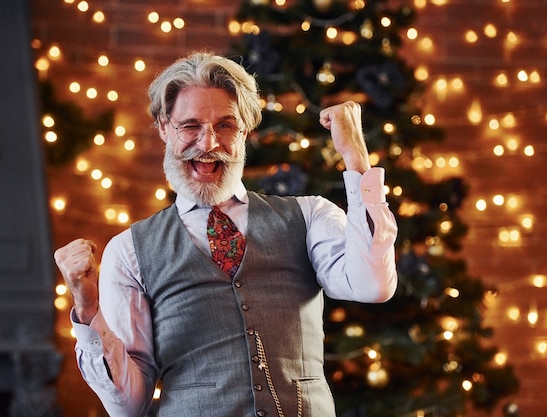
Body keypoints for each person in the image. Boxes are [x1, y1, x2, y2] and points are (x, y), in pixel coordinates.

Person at [54, 51, 398, 417]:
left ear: (246, 131)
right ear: (163, 128)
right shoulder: (130, 250)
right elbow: (128, 405)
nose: (208, 144)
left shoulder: (309, 215)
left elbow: (374, 285)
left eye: (225, 125)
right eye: (190, 126)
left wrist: (356, 159)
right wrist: (88, 309)